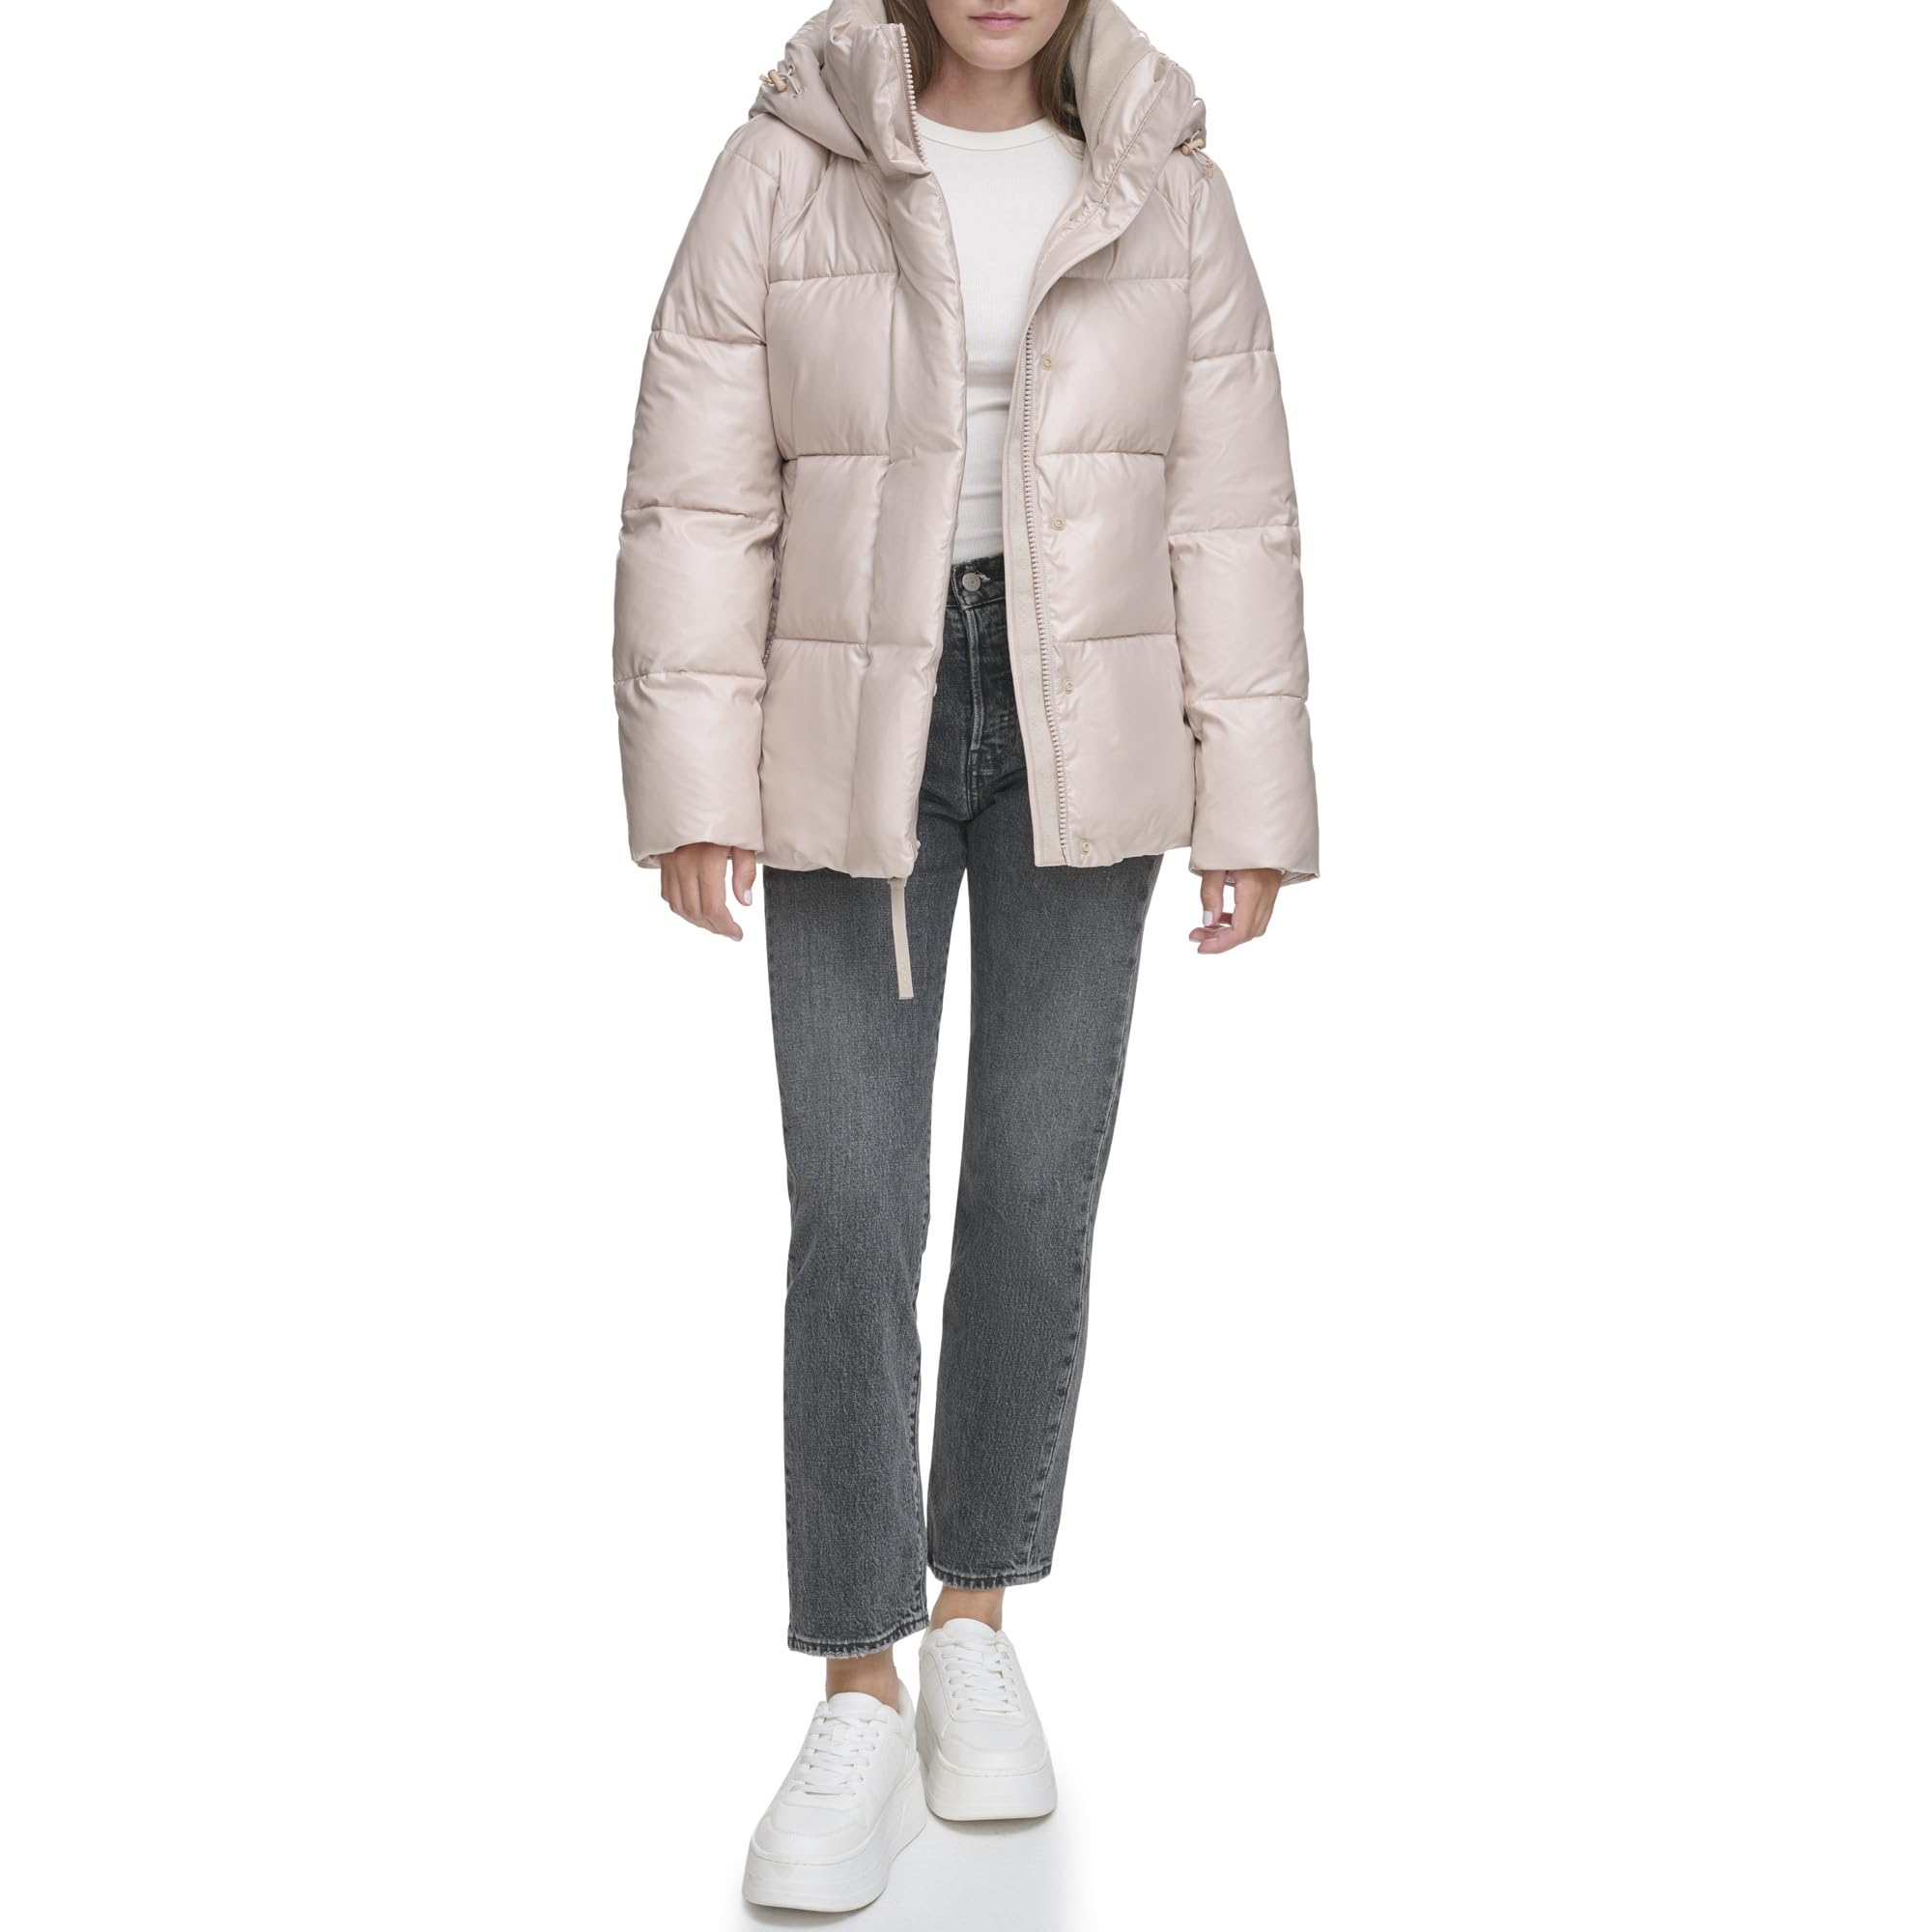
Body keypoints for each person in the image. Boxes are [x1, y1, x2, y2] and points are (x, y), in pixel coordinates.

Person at [611, 0, 1317, 1909]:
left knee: (1031, 1187)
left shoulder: (1164, 179)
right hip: (849, 718)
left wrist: (1252, 796)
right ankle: (858, 1675)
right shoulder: (785, 166)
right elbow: (697, 481)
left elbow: (1233, 503)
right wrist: (691, 779)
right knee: (852, 1204)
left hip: (1092, 714)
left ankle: (976, 1621)